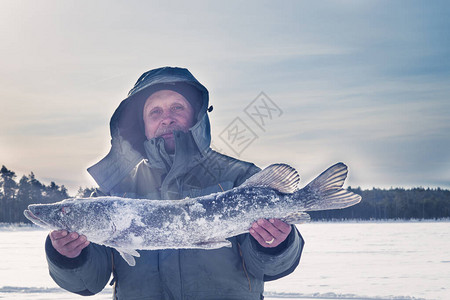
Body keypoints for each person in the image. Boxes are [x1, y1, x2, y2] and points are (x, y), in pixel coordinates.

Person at [45, 67, 304, 299]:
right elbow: (91, 281)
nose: (166, 118)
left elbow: (269, 267)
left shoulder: (239, 176)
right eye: (155, 112)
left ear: (196, 116)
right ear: (143, 125)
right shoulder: (115, 191)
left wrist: (276, 245)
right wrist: (68, 257)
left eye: (177, 108)